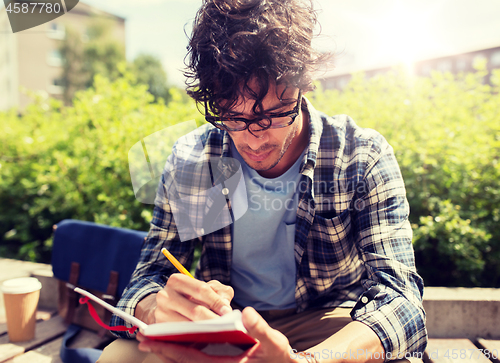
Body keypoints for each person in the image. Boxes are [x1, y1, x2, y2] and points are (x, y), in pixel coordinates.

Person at [98, 0, 427, 362]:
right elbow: (148, 276)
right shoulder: (193, 160)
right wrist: (157, 308)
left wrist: (310, 361)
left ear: (303, 86)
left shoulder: (361, 156)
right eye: (232, 117)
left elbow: (401, 299)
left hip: (328, 325)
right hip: (226, 324)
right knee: (120, 358)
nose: (253, 139)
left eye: (271, 115)